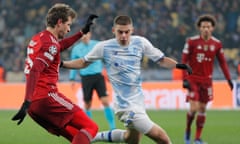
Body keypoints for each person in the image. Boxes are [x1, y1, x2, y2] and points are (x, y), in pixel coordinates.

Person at [61, 15, 192, 144]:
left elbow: (161, 60)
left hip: (138, 102)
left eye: (127, 32)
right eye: (120, 32)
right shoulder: (104, 47)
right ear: (113, 30)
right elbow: (83, 62)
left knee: (131, 138)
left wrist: (179, 65)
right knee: (162, 138)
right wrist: (62, 63)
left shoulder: (140, 42)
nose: (123, 35)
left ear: (132, 30)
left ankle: (93, 137)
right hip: (125, 107)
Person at [11, 3, 99, 144]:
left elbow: (59, 46)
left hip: (35, 106)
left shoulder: (39, 38)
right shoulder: (50, 44)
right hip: (47, 97)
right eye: (68, 24)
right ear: (59, 22)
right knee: (91, 127)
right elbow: (35, 69)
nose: (69, 29)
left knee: (77, 136)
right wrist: (26, 102)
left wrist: (82, 32)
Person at [181, 14, 233, 144]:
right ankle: (187, 129)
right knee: (193, 108)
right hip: (193, 79)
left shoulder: (216, 44)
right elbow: (184, 60)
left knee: (203, 109)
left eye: (208, 27)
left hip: (207, 81)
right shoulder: (191, 42)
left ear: (212, 28)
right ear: (199, 28)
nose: (206, 29)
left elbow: (222, 63)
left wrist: (229, 79)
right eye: (203, 26)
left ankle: (197, 138)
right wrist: (184, 78)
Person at [69, 32, 116, 130]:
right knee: (87, 104)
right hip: (86, 78)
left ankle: (113, 127)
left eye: (86, 34)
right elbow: (73, 64)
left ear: (90, 34)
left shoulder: (97, 45)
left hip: (98, 76)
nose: (84, 36)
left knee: (105, 101)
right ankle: (88, 127)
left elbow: (107, 58)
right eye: (82, 35)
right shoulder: (76, 49)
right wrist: (72, 78)